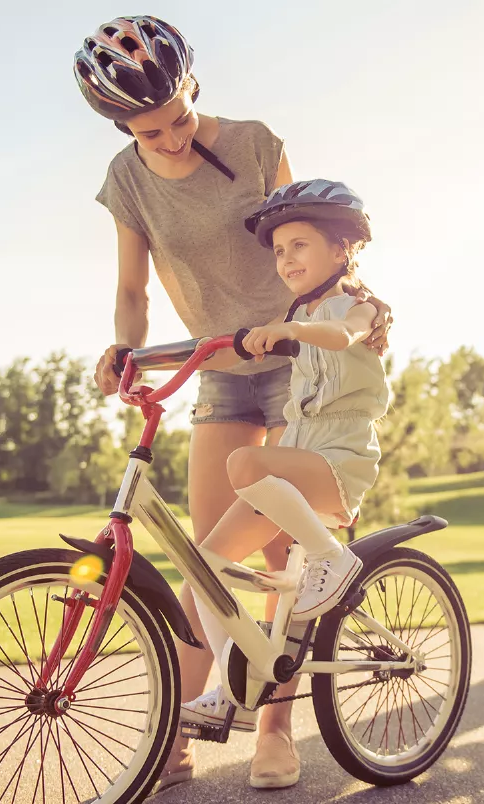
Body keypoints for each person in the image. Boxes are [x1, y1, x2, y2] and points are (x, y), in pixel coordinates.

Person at [73, 16, 392, 790]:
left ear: (193, 89)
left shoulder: (253, 142)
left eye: (180, 117)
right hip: (219, 363)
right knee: (204, 557)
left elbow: (314, 230)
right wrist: (125, 349)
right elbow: (130, 288)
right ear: (122, 126)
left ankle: (274, 733)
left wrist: (358, 307)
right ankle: (174, 739)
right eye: (153, 132)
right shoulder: (127, 180)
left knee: (281, 549)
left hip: (296, 357)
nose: (173, 139)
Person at [178, 178, 389, 787]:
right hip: (297, 454)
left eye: (299, 244)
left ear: (343, 249)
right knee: (203, 566)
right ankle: (231, 684)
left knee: (245, 465)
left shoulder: (359, 305)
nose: (287, 259)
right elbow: (238, 346)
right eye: (279, 251)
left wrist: (287, 332)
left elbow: (340, 337)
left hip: (337, 460)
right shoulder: (296, 314)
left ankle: (332, 557)